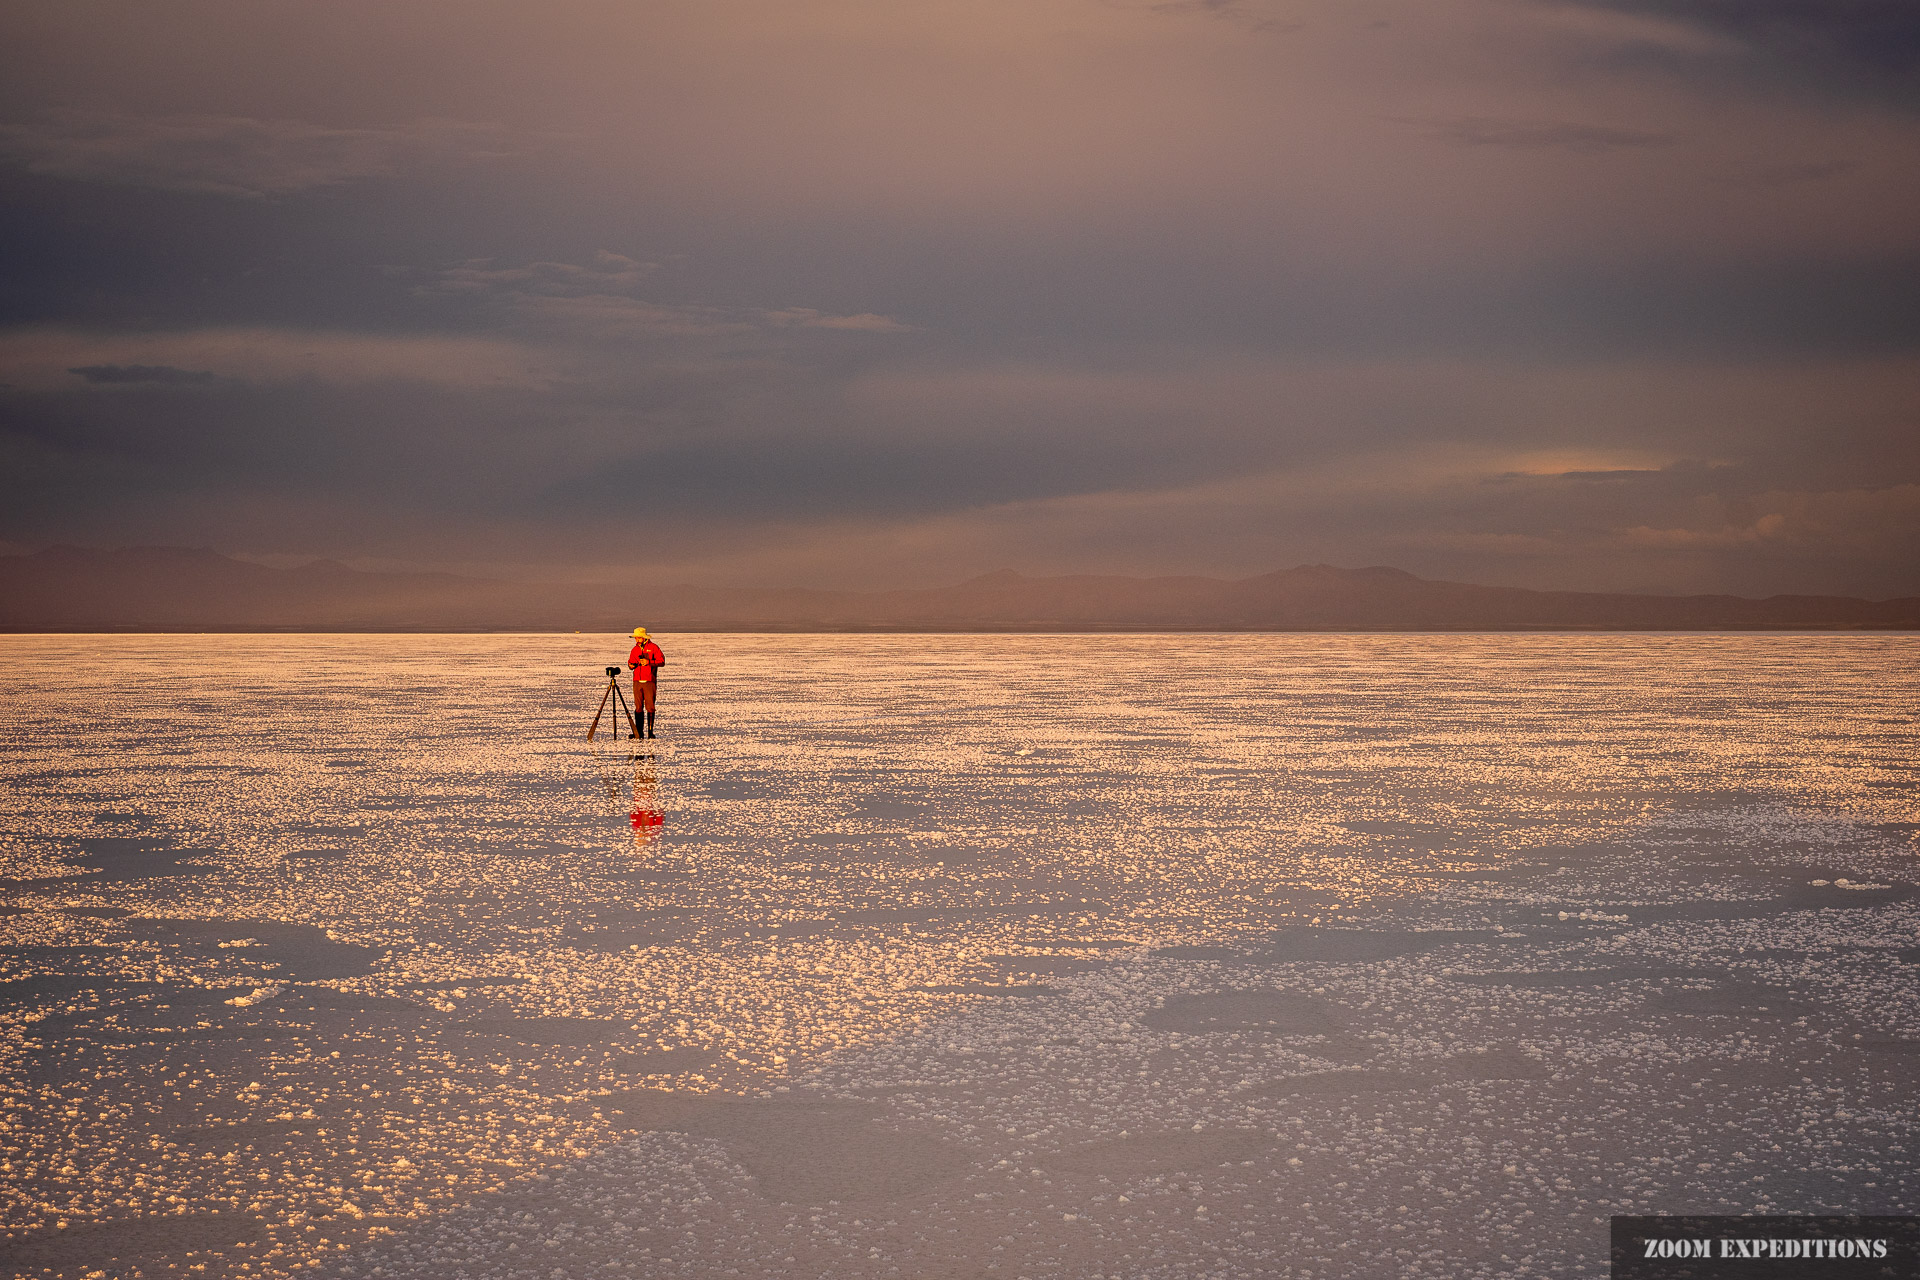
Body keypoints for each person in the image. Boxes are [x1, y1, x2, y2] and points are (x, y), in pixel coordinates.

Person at [626, 626, 666, 739]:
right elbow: (630, 662)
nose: (636, 639)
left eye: (638, 637)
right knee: (638, 707)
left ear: (643, 638)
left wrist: (649, 662)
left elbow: (662, 661)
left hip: (649, 681)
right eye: (635, 638)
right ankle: (638, 732)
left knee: (650, 706)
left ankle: (650, 732)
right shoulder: (634, 649)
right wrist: (631, 665)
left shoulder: (653, 647)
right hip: (637, 681)